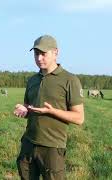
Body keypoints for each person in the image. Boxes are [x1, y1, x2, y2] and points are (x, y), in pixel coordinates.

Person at [13, 35, 84, 180]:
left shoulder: (70, 80)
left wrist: (52, 111)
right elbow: (30, 107)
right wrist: (25, 109)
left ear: (55, 52)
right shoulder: (32, 80)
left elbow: (79, 118)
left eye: (43, 54)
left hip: (52, 148)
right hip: (28, 143)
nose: (39, 58)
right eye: (36, 54)